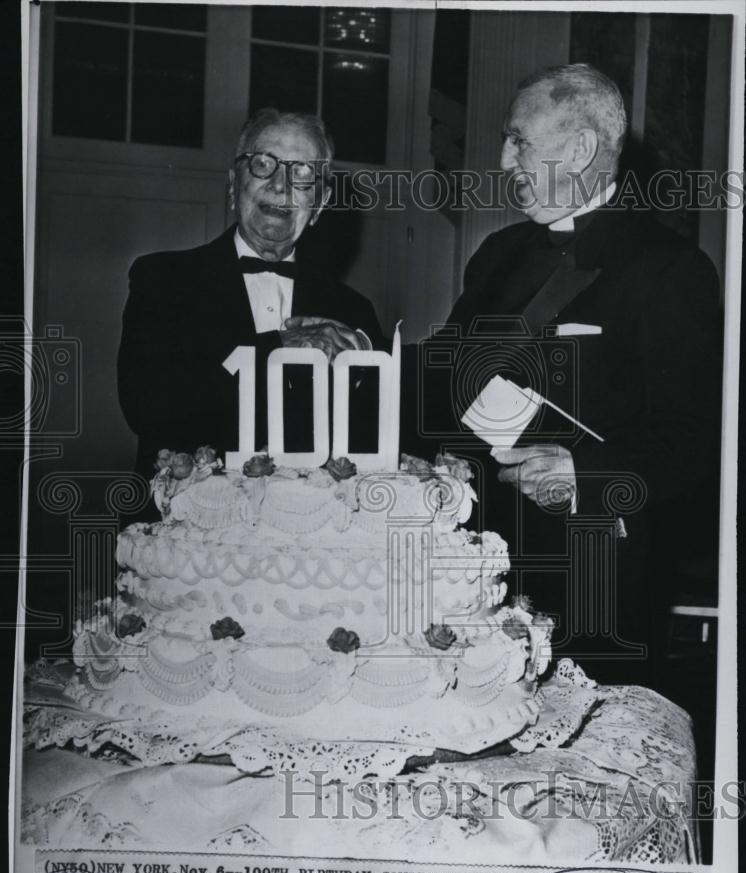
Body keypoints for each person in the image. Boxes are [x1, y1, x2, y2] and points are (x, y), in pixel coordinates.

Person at [410, 64, 722, 684]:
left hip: (595, 584)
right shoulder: (496, 254)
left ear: (580, 149)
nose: (503, 160)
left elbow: (696, 440)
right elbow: (440, 385)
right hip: (480, 575)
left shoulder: (669, 268)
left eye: (518, 140)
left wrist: (585, 472)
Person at [118, 108, 385, 476]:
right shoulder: (163, 280)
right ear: (233, 184)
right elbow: (145, 405)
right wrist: (277, 347)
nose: (281, 185)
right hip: (190, 526)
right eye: (263, 163)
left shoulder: (353, 313)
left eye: (303, 173)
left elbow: (376, 440)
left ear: (320, 203)